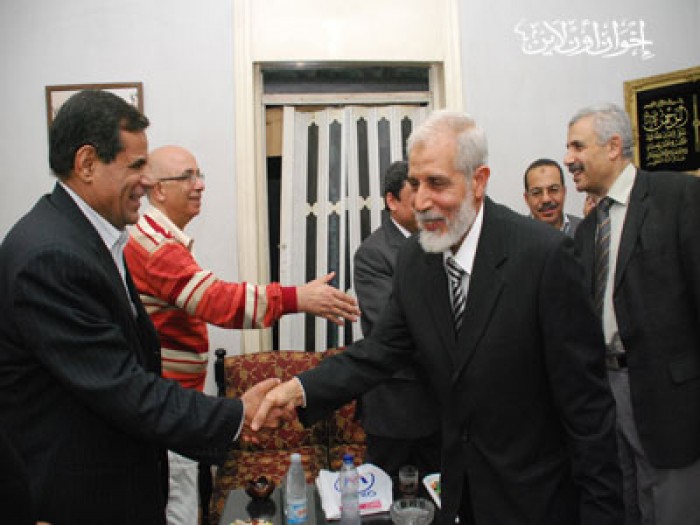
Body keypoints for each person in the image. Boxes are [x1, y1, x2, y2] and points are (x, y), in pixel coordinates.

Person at [254, 110, 623, 525]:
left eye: (437, 183)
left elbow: (587, 408)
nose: (421, 201)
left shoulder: (543, 256)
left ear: (478, 181)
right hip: (459, 494)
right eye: (415, 184)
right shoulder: (416, 258)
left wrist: (602, 513)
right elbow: (379, 351)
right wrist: (300, 389)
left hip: (535, 497)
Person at [0, 90, 288, 525]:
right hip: (80, 499)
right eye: (136, 166)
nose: (148, 182)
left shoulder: (95, 238)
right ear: (87, 163)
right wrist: (237, 414)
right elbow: (121, 386)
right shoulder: (51, 256)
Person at [124, 144, 359, 525]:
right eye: (187, 176)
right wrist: (296, 298)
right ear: (158, 189)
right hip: (167, 406)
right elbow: (216, 300)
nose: (200, 185)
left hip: (175, 400)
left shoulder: (161, 239)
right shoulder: (156, 246)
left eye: (200, 174)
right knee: (178, 510)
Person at [565, 102, 700, 525]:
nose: (568, 159)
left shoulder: (678, 197)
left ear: (613, 146)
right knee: (625, 505)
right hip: (607, 394)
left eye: (577, 147)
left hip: (670, 401)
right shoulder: (588, 231)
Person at [352, 160, 440, 479]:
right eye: (414, 191)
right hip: (396, 406)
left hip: (440, 403)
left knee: (439, 493)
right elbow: (393, 328)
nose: (425, 201)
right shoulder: (373, 253)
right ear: (392, 200)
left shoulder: (439, 241)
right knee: (386, 494)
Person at [523, 157, 582, 236]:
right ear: (527, 199)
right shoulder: (516, 236)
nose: (546, 199)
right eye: (536, 192)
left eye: (553, 190)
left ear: (564, 192)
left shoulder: (585, 230)